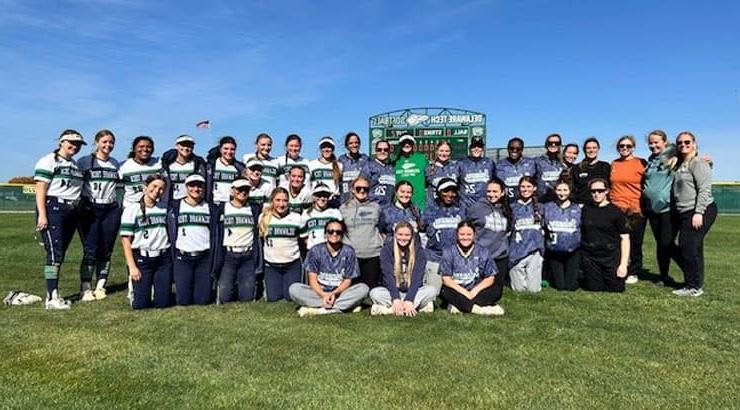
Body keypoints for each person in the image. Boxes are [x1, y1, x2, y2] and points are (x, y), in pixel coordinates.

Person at [34, 129, 86, 310]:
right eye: (71, 142)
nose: (75, 146)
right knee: (54, 253)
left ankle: (54, 293)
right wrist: (42, 214)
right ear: (61, 142)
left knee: (60, 253)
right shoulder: (49, 160)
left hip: (70, 210)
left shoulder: (74, 164)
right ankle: (51, 296)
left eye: (78, 144)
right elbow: (41, 188)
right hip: (53, 206)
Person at [670, 131, 716, 297]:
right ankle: (695, 283)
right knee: (693, 247)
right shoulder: (681, 163)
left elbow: (704, 190)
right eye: (680, 143)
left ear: (694, 144)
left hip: (698, 210)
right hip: (684, 211)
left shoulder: (698, 163)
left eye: (687, 142)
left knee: (687, 246)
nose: (683, 145)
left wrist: (699, 212)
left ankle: (693, 286)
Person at [289, 220, 369, 316]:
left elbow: (347, 281)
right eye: (330, 231)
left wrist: (334, 294)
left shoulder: (349, 251)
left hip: (340, 293)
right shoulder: (315, 251)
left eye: (338, 232)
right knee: (294, 289)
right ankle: (344, 306)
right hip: (318, 293)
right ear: (325, 234)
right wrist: (324, 295)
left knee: (364, 289)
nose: (334, 234)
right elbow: (312, 280)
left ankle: (320, 310)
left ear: (342, 235)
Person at [77, 129, 121, 301]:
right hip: (91, 208)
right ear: (96, 142)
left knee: (106, 249)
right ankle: (85, 287)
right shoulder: (84, 162)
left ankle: (101, 285)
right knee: (90, 249)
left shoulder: (115, 163)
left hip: (110, 209)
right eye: (104, 142)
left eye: (111, 142)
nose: (108, 145)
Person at [120, 175, 172, 309]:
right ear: (145, 187)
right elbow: (126, 240)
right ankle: (134, 291)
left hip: (162, 259)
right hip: (142, 258)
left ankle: (156, 290)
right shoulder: (132, 209)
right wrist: (132, 267)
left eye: (161, 189)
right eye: (154, 186)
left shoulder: (164, 208)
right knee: (141, 306)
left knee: (163, 304)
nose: (157, 191)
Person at [167, 174, 218, 306]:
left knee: (202, 301)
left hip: (204, 258)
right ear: (186, 187)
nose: (196, 189)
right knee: (183, 301)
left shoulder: (211, 208)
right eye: (192, 185)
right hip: (183, 257)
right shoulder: (175, 206)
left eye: (199, 186)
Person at [369, 221, 439, 316]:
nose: (403, 238)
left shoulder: (419, 251)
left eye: (407, 235)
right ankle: (415, 307)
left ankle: (390, 310)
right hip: (392, 291)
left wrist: (409, 299)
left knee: (432, 291)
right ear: (395, 234)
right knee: (375, 293)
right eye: (400, 234)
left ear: (412, 236)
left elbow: (417, 279)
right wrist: (396, 299)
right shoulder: (386, 250)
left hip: (413, 292)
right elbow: (388, 277)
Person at [439, 221, 504, 316]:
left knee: (497, 290)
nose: (465, 237)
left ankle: (459, 306)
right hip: (457, 289)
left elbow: (490, 277)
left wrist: (473, 292)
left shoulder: (483, 251)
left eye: (469, 234)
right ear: (457, 235)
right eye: (462, 234)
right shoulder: (448, 252)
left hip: (476, 289)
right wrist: (465, 293)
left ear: (474, 235)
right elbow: (446, 279)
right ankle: (479, 309)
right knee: (445, 291)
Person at [609, 135, 648, 285]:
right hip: (617, 208)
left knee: (635, 241)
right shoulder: (614, 164)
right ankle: (619, 267)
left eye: (628, 146)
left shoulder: (641, 163)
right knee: (618, 240)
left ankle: (634, 271)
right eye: (622, 146)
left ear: (633, 147)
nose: (625, 148)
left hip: (635, 209)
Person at [580, 178, 630, 292]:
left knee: (616, 289)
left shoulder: (616, 212)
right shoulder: (585, 210)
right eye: (593, 191)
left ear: (607, 191)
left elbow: (625, 238)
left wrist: (623, 265)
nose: (596, 194)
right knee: (594, 288)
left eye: (600, 190)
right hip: (591, 256)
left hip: (610, 256)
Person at [215, 178, 260, 303]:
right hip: (229, 255)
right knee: (225, 297)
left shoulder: (254, 208)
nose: (243, 192)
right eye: (239, 189)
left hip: (248, 255)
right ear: (232, 191)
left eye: (246, 189)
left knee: (247, 298)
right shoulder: (223, 208)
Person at [642, 130, 678, 285]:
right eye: (651, 142)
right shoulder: (651, 160)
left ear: (664, 142)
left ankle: (691, 273)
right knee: (661, 245)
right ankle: (663, 276)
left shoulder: (673, 155)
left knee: (667, 243)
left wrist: (706, 161)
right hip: (652, 209)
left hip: (668, 209)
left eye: (656, 142)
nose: (653, 145)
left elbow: (689, 157)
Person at [465, 177, 513, 290]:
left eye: (495, 191)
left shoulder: (506, 209)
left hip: (500, 257)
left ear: (502, 193)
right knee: (479, 288)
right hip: (482, 256)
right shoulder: (476, 208)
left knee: (496, 290)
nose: (491, 194)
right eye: (489, 191)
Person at [258, 187, 303, 301]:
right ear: (272, 201)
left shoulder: (297, 218)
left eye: (285, 200)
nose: (281, 204)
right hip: (272, 265)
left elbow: (303, 240)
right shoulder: (263, 218)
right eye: (278, 200)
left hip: (292, 264)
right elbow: (261, 240)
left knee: (291, 297)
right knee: (273, 298)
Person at [340, 176, 384, 288]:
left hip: (373, 255)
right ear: (352, 189)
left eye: (366, 188)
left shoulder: (376, 207)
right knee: (352, 290)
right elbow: (341, 232)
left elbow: (382, 228)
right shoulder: (344, 208)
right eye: (358, 188)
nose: (362, 191)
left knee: (370, 290)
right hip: (353, 255)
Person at [422, 178, 464, 289]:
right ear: (439, 192)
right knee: (433, 293)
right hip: (434, 257)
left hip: (455, 258)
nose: (450, 195)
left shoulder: (461, 211)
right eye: (446, 191)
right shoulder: (429, 211)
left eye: (453, 191)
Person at [541, 180, 581, 291]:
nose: (562, 193)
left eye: (565, 190)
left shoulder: (577, 208)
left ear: (570, 191)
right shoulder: (548, 207)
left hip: (572, 251)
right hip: (555, 251)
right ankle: (549, 275)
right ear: (555, 191)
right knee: (560, 287)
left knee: (570, 287)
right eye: (559, 190)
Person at [508, 176, 545, 293]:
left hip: (535, 250)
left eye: (528, 186)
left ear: (534, 188)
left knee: (533, 290)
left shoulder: (541, 207)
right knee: (518, 289)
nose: (525, 189)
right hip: (517, 250)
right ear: (518, 188)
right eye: (522, 187)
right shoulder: (512, 207)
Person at [160, 135, 207, 203]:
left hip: (191, 202)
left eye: (189, 146)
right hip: (171, 201)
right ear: (176, 146)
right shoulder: (167, 164)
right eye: (182, 145)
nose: (186, 148)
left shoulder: (198, 164)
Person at [118, 136, 162, 209]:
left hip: (154, 208)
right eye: (141, 146)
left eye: (148, 147)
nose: (145, 149)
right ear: (134, 149)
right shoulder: (123, 166)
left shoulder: (159, 164)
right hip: (130, 208)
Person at [300, 184, 343, 252]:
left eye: (325, 196)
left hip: (331, 251)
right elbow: (303, 236)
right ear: (314, 196)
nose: (322, 198)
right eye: (319, 195)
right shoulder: (306, 214)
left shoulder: (335, 213)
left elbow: (341, 233)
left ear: (329, 197)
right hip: (313, 251)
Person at [457, 136, 496, 208]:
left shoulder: (489, 163)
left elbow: (495, 183)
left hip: (485, 206)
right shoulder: (461, 163)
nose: (477, 149)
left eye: (479, 146)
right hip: (466, 207)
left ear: (482, 149)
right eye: (474, 146)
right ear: (470, 148)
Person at [206, 136, 246, 204]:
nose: (229, 152)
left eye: (232, 149)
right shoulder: (211, 165)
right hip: (215, 204)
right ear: (220, 149)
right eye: (226, 149)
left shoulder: (240, 168)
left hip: (232, 204)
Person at [393, 133, 428, 211]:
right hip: (399, 204)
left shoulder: (421, 158)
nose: (407, 144)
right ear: (400, 144)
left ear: (413, 144)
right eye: (404, 142)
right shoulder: (395, 160)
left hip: (418, 203)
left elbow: (429, 177)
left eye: (409, 142)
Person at [571, 137, 611, 204]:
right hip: (582, 205)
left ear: (598, 149)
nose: (591, 150)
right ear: (584, 150)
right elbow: (572, 190)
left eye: (594, 148)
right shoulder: (576, 168)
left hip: (600, 206)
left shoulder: (605, 166)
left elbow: (610, 187)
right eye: (588, 148)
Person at [308, 136, 343, 207]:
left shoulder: (339, 166)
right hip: (317, 201)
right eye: (324, 147)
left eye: (329, 147)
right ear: (320, 149)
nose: (326, 149)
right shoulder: (311, 164)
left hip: (333, 202)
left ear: (333, 149)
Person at [338, 132, 370, 203]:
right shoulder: (341, 159)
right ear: (347, 145)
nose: (354, 145)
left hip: (362, 200)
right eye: (351, 143)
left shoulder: (365, 159)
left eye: (356, 142)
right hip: (345, 201)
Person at [535, 133, 567, 202]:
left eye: (556, 143)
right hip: (542, 201)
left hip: (558, 201)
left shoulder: (563, 163)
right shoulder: (537, 161)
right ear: (546, 145)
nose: (553, 145)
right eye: (550, 143)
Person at [364, 139, 396, 207]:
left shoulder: (392, 168)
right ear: (376, 151)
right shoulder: (369, 166)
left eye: (385, 149)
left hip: (388, 210)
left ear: (389, 151)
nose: (382, 151)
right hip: (373, 208)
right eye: (379, 149)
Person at [425, 141, 458, 205]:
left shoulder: (456, 167)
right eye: (441, 151)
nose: (444, 153)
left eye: (447, 151)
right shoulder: (428, 168)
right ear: (436, 151)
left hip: (451, 206)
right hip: (433, 205)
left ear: (450, 152)